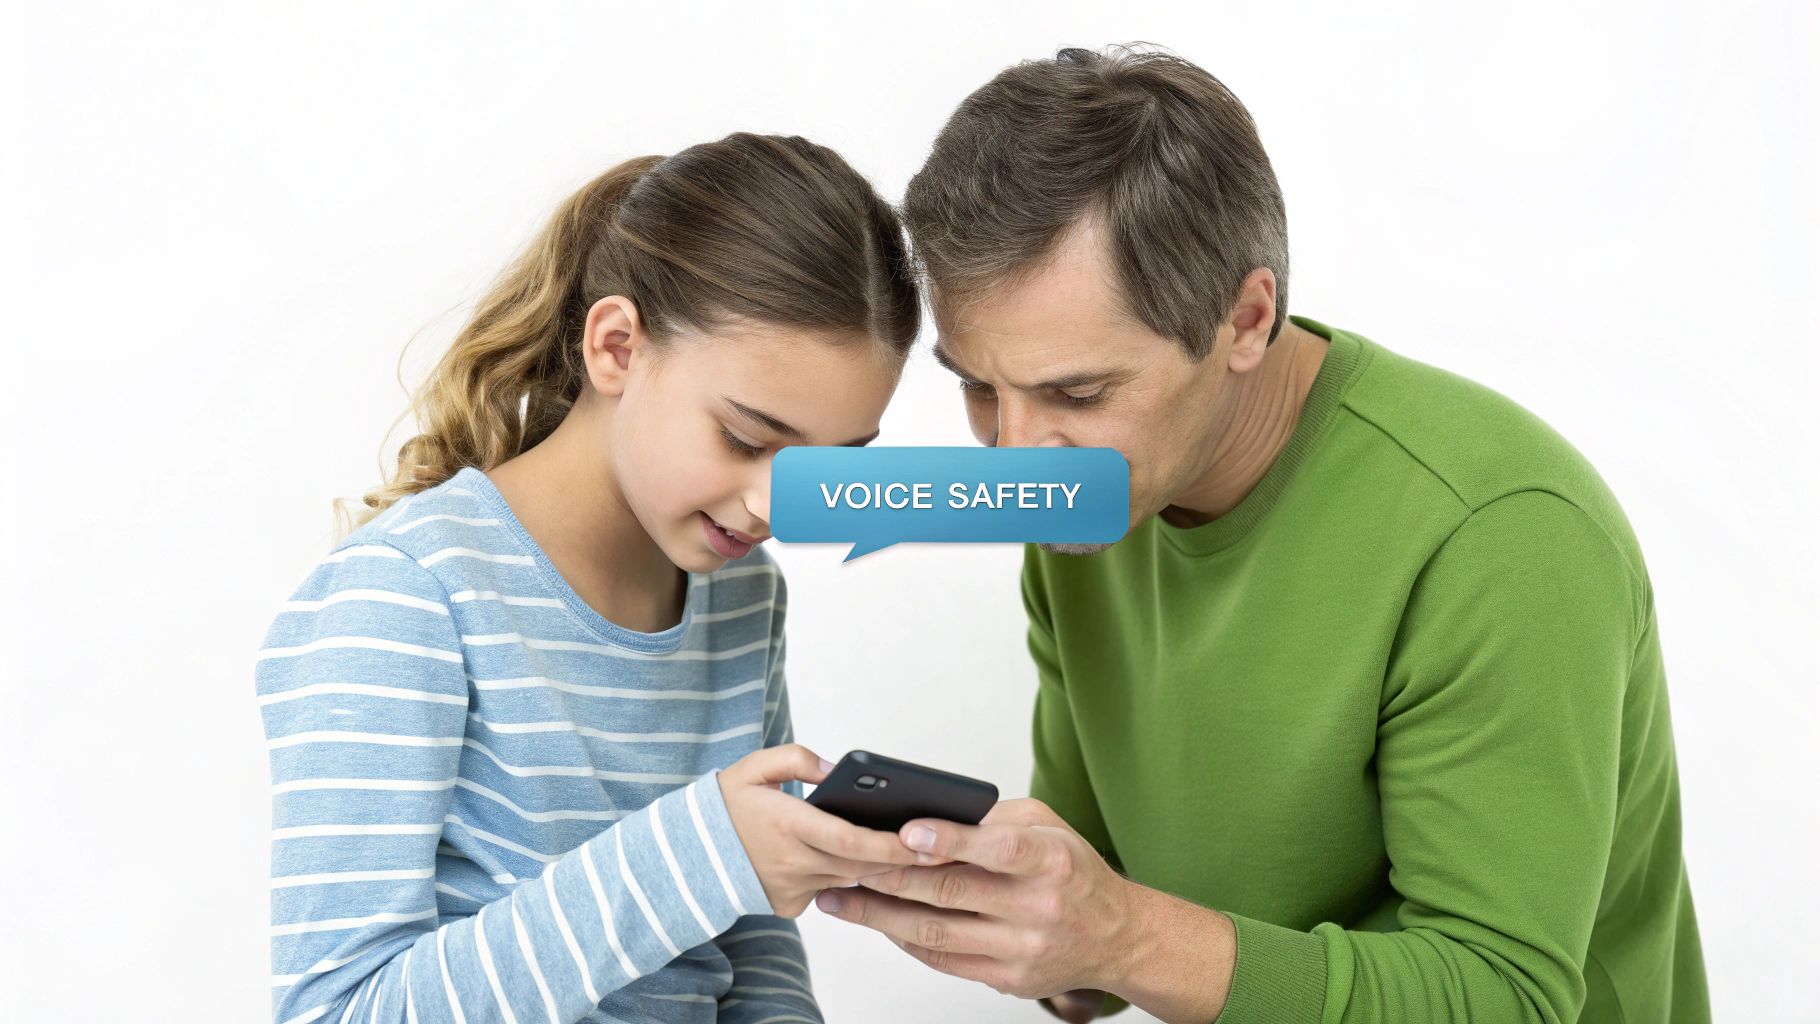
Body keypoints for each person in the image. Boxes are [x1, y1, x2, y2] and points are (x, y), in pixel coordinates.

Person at [816, 47, 1710, 1024]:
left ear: (1245, 319)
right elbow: (1102, 922)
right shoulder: (1085, 500)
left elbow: (1503, 1000)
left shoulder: (1496, 532)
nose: (1016, 455)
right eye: (980, 387)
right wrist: (1017, 921)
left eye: (1079, 392)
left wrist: (1120, 935)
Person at [255, 132, 923, 1024]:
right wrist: (703, 854)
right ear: (616, 347)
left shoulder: (742, 594)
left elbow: (749, 945)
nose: (777, 506)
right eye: (747, 438)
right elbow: (335, 1012)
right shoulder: (407, 596)